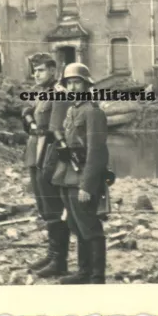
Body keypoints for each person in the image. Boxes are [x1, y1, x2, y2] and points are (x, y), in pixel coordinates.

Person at [52, 62, 110, 284]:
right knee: (75, 225)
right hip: (68, 175)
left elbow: (97, 152)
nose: (73, 87)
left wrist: (87, 185)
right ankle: (83, 272)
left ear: (86, 85)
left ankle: (97, 277)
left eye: (77, 82)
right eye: (69, 83)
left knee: (90, 228)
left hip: (83, 175)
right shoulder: (71, 110)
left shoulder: (93, 113)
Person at [21, 53, 70, 278]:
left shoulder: (59, 94)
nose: (36, 74)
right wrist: (31, 123)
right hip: (36, 153)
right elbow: (27, 112)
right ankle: (52, 254)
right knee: (43, 207)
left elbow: (56, 129)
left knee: (53, 208)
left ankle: (59, 260)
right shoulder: (41, 93)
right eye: (35, 70)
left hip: (49, 155)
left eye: (40, 70)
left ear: (53, 71)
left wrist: (37, 128)